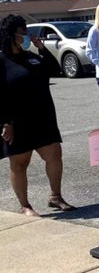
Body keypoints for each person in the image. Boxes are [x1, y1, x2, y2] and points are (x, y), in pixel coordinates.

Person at [0, 14, 75, 216]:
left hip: (42, 118)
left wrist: (42, 49)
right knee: (19, 163)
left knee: (54, 155)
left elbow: (53, 69)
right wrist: (5, 121)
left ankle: (55, 196)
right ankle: (25, 205)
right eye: (23, 31)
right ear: (11, 34)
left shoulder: (31, 57)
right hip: (17, 122)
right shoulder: (2, 61)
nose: (27, 34)